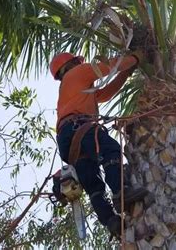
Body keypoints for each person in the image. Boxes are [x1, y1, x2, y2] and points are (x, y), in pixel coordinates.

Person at [50, 51, 147, 237]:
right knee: (110, 150)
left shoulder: (73, 88)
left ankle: (111, 221)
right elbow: (107, 67)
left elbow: (106, 94)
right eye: (78, 62)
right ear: (70, 65)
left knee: (93, 184)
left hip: (67, 140)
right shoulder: (77, 73)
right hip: (79, 127)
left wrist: (127, 72)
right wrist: (136, 57)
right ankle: (121, 191)